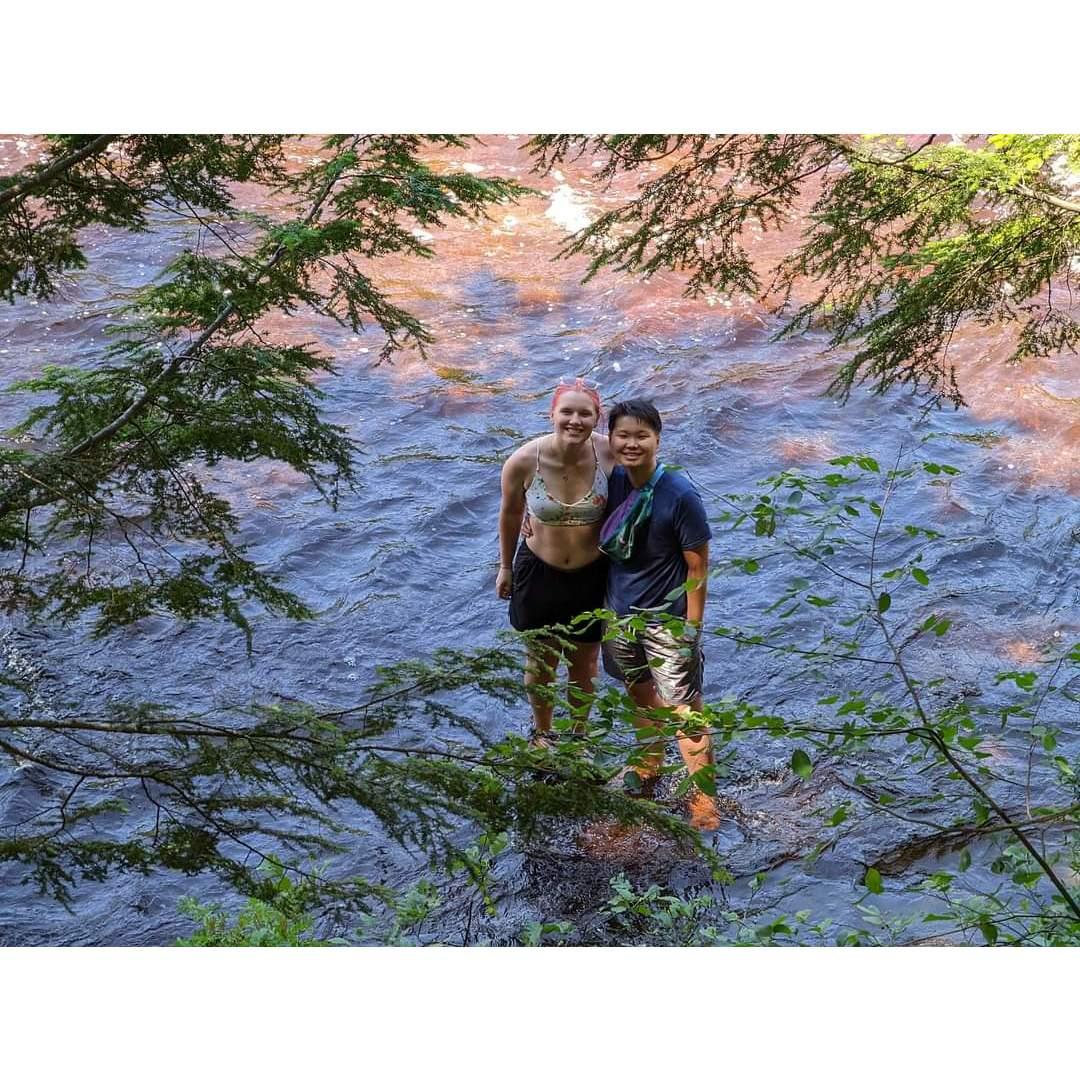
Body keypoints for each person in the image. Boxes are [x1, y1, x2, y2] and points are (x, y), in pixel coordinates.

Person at [600, 398, 718, 828]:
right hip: (618, 616)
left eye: (641, 436)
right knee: (638, 692)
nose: (632, 444)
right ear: (610, 439)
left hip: (667, 621)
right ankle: (650, 761)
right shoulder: (612, 481)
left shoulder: (680, 495)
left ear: (657, 440)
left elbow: (698, 566)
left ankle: (704, 797)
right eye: (623, 436)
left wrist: (692, 627)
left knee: (686, 708)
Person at [496, 378, 615, 742]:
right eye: (567, 412)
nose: (575, 420)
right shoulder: (523, 461)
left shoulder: (610, 455)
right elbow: (510, 514)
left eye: (585, 413)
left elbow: (644, 492)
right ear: (552, 414)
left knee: (585, 663)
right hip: (539, 570)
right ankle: (543, 734)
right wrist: (504, 567)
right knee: (540, 663)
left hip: (592, 574)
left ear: (598, 417)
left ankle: (579, 737)